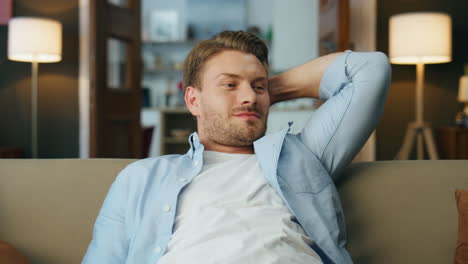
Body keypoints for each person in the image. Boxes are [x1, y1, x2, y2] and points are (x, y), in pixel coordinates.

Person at [82, 31, 391, 264]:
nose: (250, 97)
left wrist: (266, 90)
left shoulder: (303, 157)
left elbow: (370, 68)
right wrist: (253, 89)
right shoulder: (141, 177)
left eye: (259, 86)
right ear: (193, 100)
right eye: (229, 85)